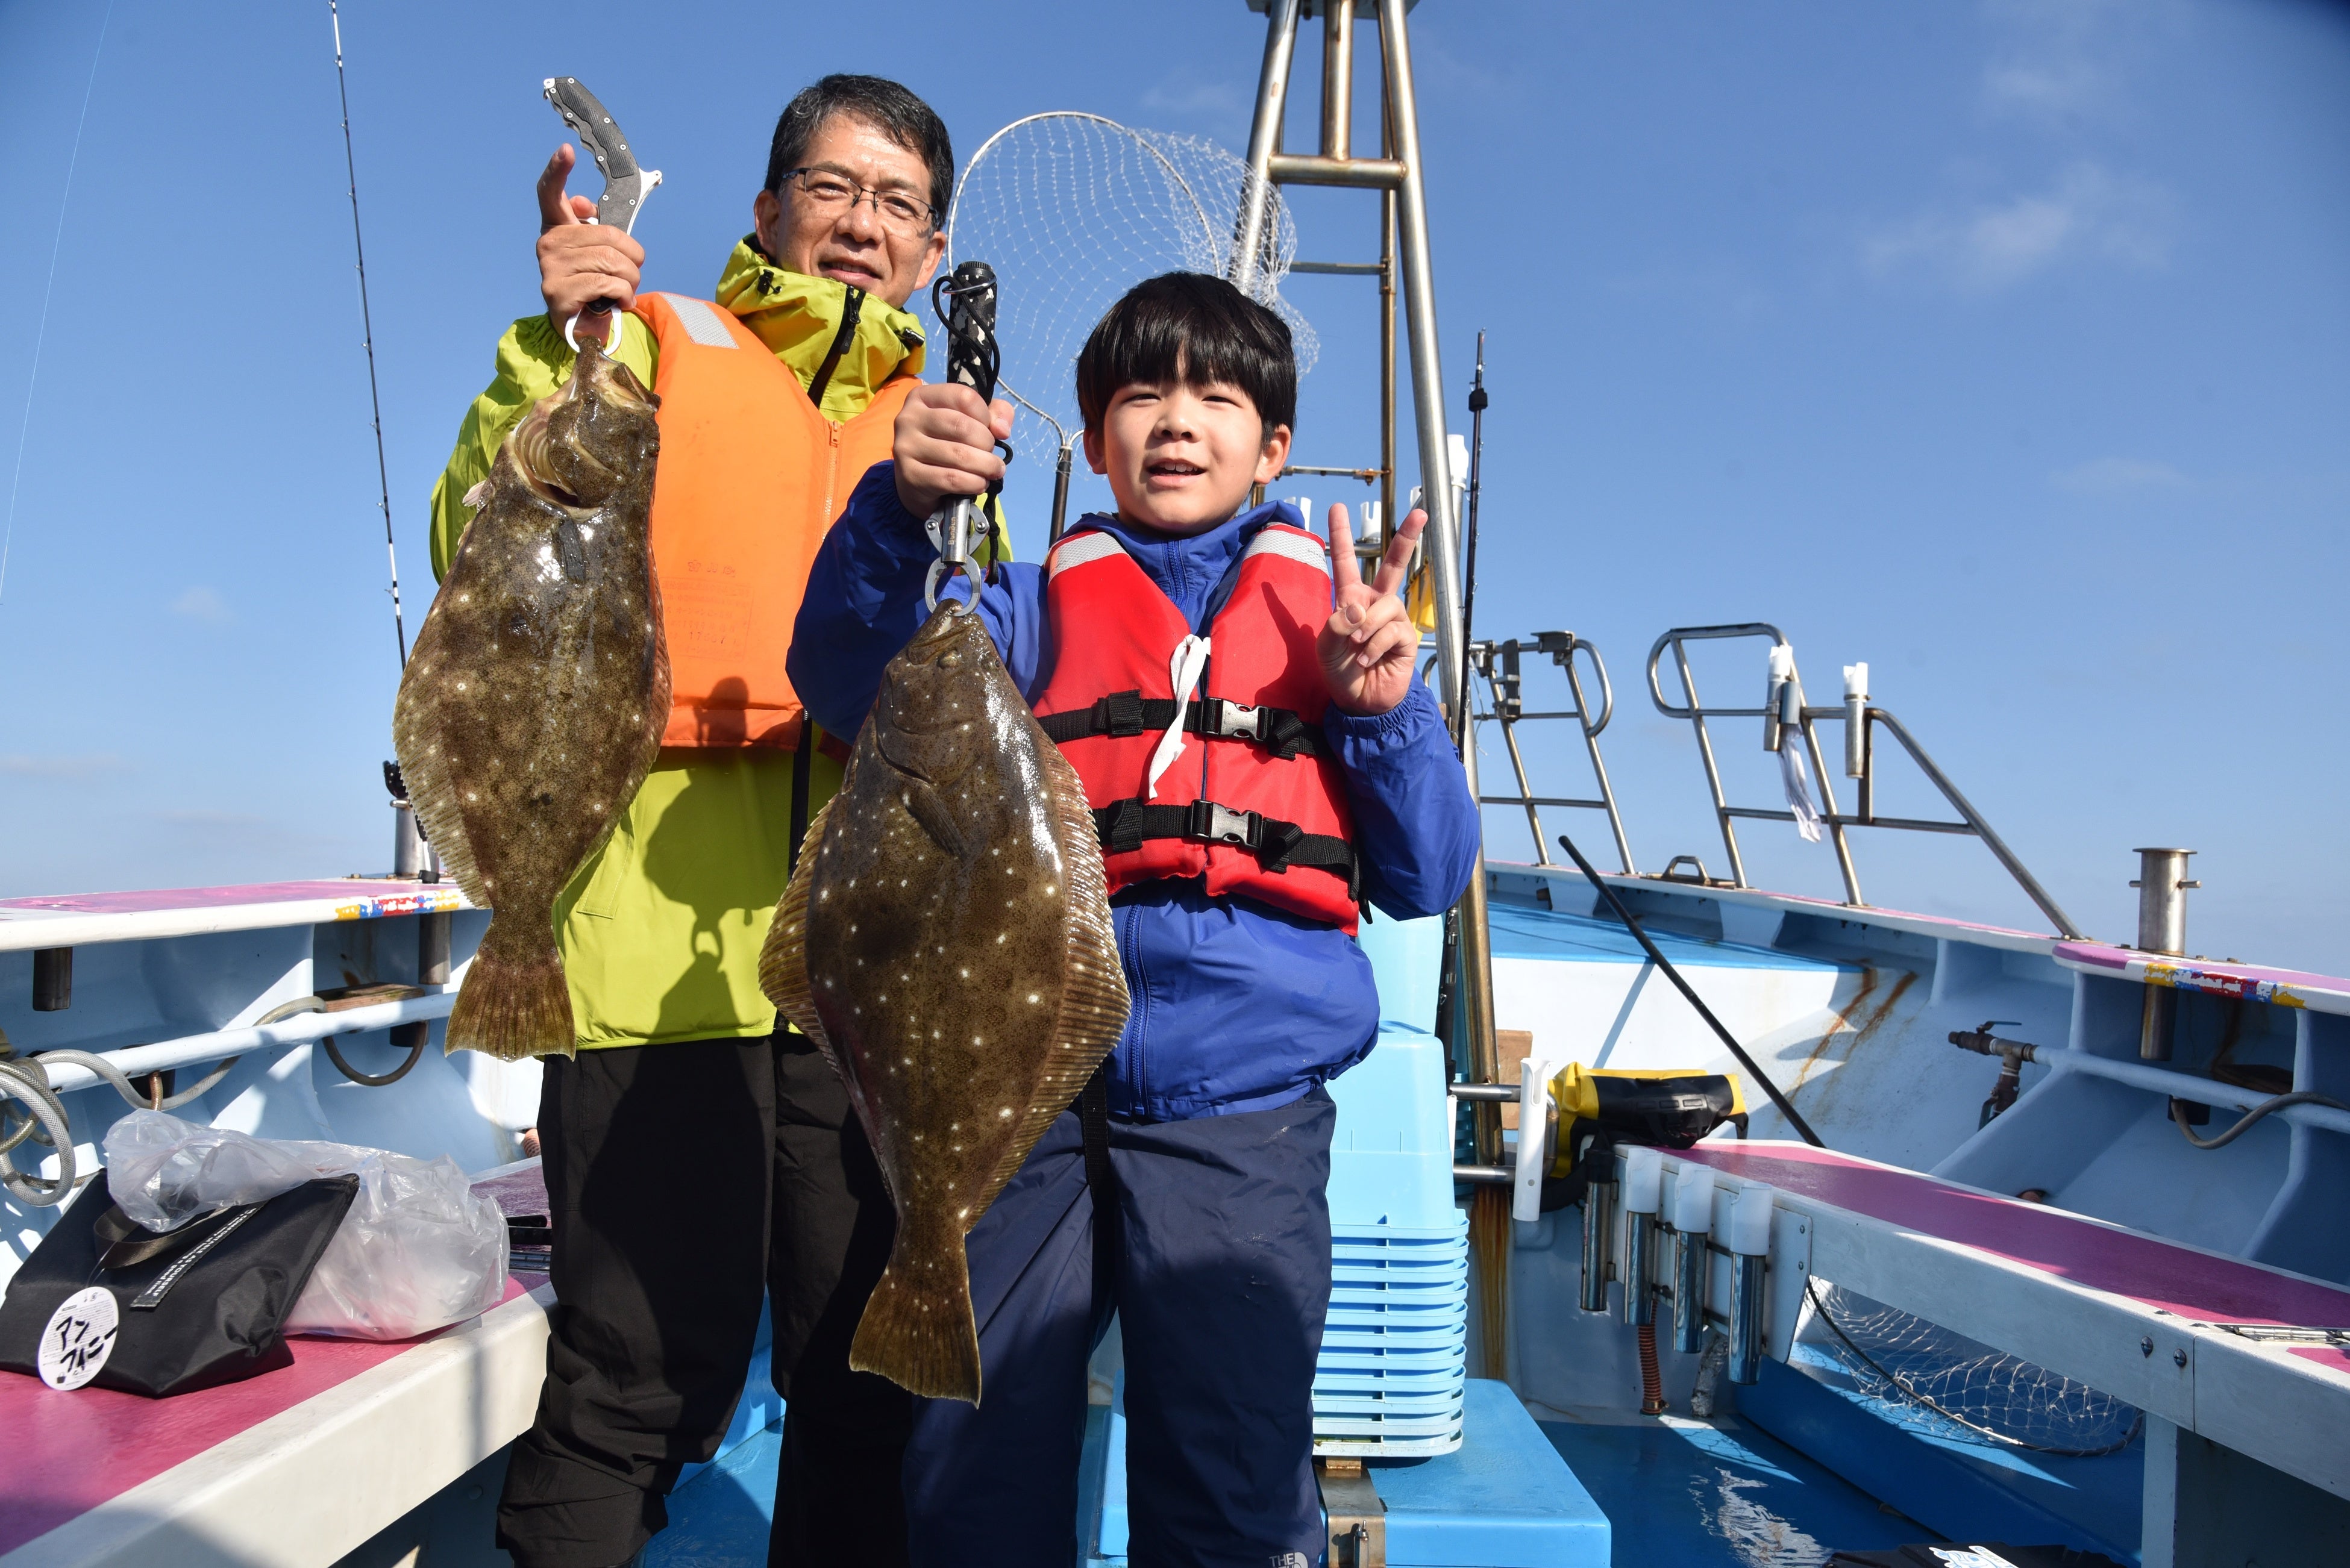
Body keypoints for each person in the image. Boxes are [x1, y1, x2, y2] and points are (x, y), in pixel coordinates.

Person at [790, 272, 1481, 1566]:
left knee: (1227, 1469)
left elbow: (1428, 875)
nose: (1176, 420)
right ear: (1097, 437)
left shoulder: (1340, 626)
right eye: (1140, 396)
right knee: (970, 1470)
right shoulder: (1025, 604)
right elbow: (840, 679)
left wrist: (1384, 711)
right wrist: (895, 513)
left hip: (1245, 1099)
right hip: (1019, 1093)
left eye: (1215, 397)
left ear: (1273, 446)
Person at [425, 75, 968, 1568]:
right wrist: (557, 338)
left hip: (863, 986)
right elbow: (485, 528)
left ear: (929, 247)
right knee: (633, 1388)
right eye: (835, 187)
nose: (864, 225)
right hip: (650, 956)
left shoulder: (951, 432)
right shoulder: (647, 346)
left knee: (862, 1399)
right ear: (768, 209)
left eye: (900, 204)